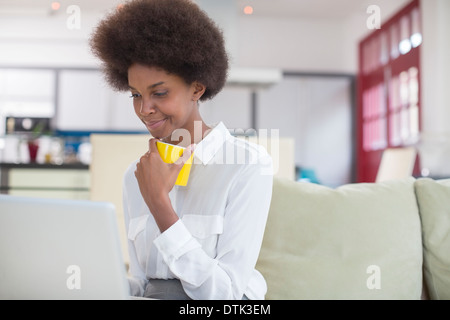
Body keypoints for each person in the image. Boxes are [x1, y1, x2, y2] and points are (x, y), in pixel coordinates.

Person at [89, 0, 273, 300]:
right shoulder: (134, 176)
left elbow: (225, 294)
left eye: (159, 93)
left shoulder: (246, 165)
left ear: (197, 89)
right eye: (136, 94)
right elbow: (145, 283)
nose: (145, 109)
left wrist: (160, 205)